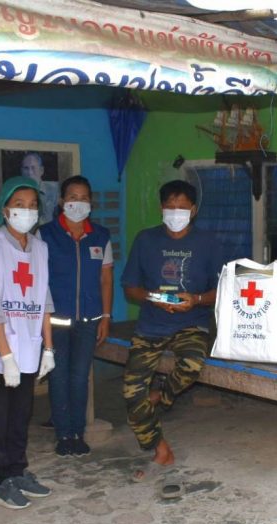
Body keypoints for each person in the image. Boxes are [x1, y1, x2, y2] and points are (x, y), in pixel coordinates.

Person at [121, 180, 222, 483]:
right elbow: (130, 287)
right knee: (131, 393)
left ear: (194, 210)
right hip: (151, 324)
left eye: (182, 207)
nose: (175, 213)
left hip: (192, 322)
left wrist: (196, 299)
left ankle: (162, 398)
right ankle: (160, 448)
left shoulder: (208, 243)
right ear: (161, 208)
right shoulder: (145, 240)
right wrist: (152, 297)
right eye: (170, 207)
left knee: (191, 365)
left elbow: (223, 289)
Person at [0, 176, 56, 510]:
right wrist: (6, 357)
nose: (27, 211)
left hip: (29, 345)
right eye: (19, 205)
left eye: (33, 205)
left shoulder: (40, 248)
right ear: (4, 209)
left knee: (21, 415)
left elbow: (44, 300)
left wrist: (48, 348)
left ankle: (18, 471)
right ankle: (0, 480)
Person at [41, 175, 114, 457]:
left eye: (84, 198)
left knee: (80, 377)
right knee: (58, 376)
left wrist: (105, 316)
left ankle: (78, 433)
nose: (78, 203)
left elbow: (106, 279)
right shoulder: (45, 235)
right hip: (55, 321)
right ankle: (63, 435)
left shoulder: (100, 236)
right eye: (73, 197)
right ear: (62, 201)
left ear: (91, 203)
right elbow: (39, 281)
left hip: (89, 320)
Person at [21, 152, 60, 226]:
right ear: (21, 171)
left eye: (33, 168)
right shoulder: (17, 193)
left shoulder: (55, 189)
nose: (30, 172)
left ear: (41, 170)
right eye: (26, 168)